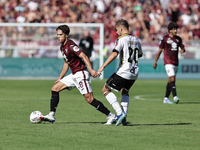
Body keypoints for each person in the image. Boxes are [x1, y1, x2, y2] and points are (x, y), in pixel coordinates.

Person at [41, 25, 116, 124]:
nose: (58, 37)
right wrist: (60, 77)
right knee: (55, 88)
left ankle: (111, 116)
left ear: (66, 35)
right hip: (74, 75)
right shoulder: (62, 47)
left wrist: (91, 70)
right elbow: (66, 63)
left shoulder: (71, 46)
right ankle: (51, 115)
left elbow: (84, 56)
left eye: (60, 35)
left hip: (81, 74)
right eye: (57, 35)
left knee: (90, 99)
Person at [97, 19, 143, 126]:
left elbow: (114, 53)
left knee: (105, 89)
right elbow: (139, 54)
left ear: (121, 29)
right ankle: (124, 117)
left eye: (117, 30)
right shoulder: (136, 40)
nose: (117, 32)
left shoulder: (121, 39)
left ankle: (119, 113)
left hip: (124, 71)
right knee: (124, 91)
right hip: (134, 72)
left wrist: (103, 66)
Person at [153, 22, 186, 104]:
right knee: (172, 78)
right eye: (174, 29)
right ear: (170, 30)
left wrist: (183, 50)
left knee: (170, 81)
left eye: (176, 29)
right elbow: (160, 50)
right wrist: (155, 61)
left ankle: (166, 98)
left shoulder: (178, 39)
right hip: (168, 61)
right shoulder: (165, 38)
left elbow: (183, 48)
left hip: (175, 62)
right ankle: (175, 97)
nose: (175, 31)